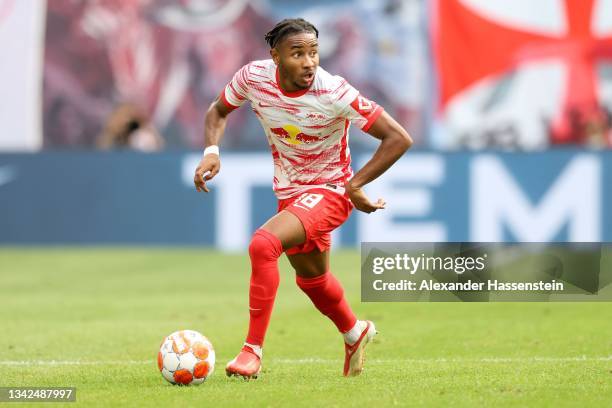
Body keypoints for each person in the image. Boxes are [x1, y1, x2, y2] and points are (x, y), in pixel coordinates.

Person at [193, 18, 412, 379]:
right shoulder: (253, 78)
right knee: (312, 280)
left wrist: (356, 185)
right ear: (275, 57)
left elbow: (398, 138)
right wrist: (212, 150)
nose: (309, 62)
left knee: (263, 245)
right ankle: (355, 332)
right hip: (291, 193)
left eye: (314, 52)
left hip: (330, 191)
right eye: (298, 54)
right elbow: (217, 110)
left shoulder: (334, 92)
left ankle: (252, 352)